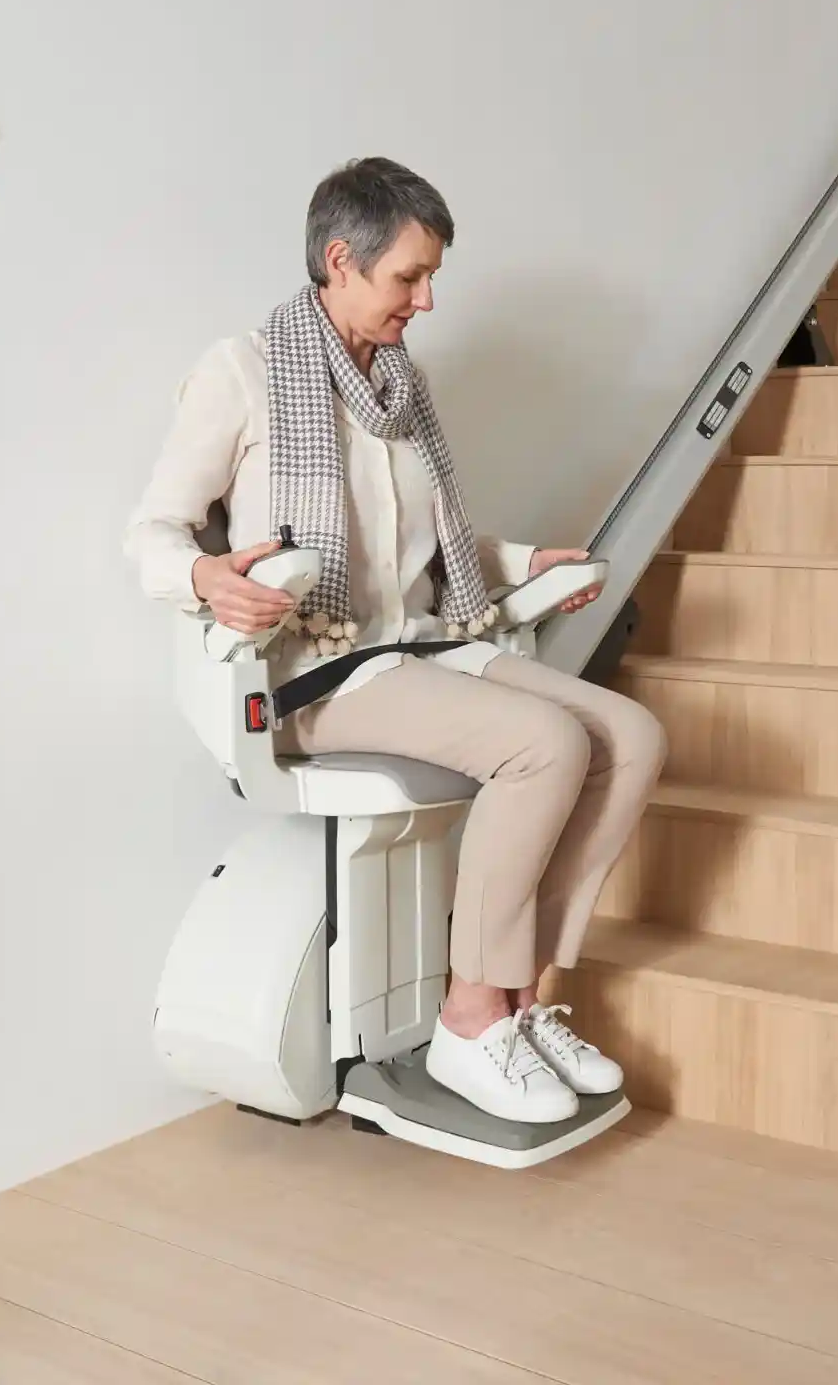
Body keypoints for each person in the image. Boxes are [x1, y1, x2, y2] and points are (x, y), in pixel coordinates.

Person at [124, 157, 667, 1127]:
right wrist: (209, 578)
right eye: (408, 278)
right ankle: (468, 1017)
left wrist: (512, 559)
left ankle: (524, 1002)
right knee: (548, 746)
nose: (425, 300)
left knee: (632, 736)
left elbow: (413, 542)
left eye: (431, 277)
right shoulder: (244, 374)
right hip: (320, 671)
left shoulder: (397, 387)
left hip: (417, 645)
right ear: (340, 260)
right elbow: (152, 533)